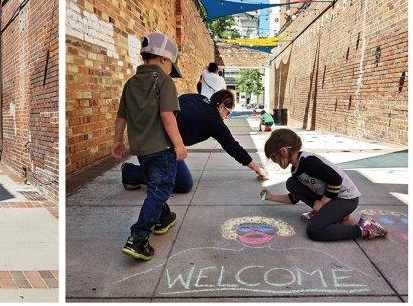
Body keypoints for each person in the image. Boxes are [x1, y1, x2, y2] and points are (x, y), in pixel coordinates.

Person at [111, 31, 186, 261]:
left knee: (156, 186)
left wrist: (117, 141)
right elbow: (167, 115)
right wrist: (179, 144)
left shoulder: (131, 83)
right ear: (165, 59)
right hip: (162, 149)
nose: (170, 69)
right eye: (170, 64)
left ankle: (162, 219)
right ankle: (139, 237)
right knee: (160, 189)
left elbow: (121, 116)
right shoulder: (164, 81)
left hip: (140, 149)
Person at [122, 89, 268, 193]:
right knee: (183, 184)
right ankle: (131, 172)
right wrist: (257, 168)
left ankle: (153, 168)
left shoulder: (196, 97)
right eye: (228, 112)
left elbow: (178, 103)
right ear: (221, 106)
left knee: (175, 175)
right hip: (161, 146)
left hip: (148, 136)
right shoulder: (214, 121)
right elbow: (233, 147)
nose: (226, 116)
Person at [260, 129, 388, 241]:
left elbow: (335, 179)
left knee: (315, 231)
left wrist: (322, 204)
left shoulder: (308, 162)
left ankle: (364, 228)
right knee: (292, 184)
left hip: (346, 199)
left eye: (273, 157)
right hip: (333, 199)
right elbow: (294, 198)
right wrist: (270, 197)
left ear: (283, 151)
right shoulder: (296, 168)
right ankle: (337, 214)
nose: (274, 161)